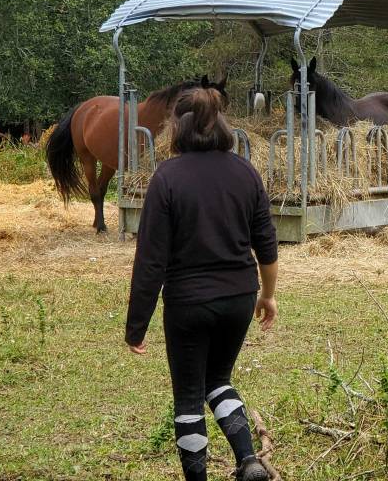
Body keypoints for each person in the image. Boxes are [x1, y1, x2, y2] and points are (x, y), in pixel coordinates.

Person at [125, 86, 279, 481]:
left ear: (178, 129)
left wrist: (136, 325)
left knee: (189, 396)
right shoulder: (245, 171)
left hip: (188, 303)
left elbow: (151, 260)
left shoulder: (167, 177)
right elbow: (266, 244)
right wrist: (268, 296)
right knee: (219, 381)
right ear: (221, 126)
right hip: (239, 297)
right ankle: (248, 461)